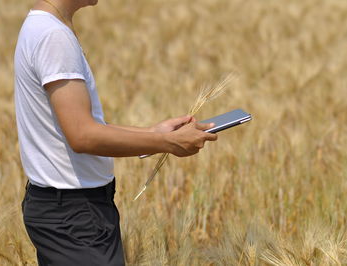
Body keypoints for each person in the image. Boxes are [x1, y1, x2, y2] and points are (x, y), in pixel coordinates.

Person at [14, 0, 218, 265]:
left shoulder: (39, 26)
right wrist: (167, 141)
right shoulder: (53, 36)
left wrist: (153, 134)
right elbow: (82, 135)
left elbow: (80, 125)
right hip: (75, 216)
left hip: (67, 210)